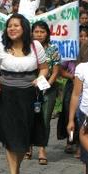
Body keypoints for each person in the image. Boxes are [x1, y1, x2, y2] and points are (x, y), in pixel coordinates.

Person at [0, 14, 48, 174]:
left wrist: (41, 77)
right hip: (5, 96)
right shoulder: (1, 48)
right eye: (9, 26)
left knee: (24, 137)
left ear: (24, 28)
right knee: (10, 137)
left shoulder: (35, 46)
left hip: (28, 95)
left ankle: (17, 169)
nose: (12, 29)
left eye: (16, 26)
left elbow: (44, 67)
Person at [29, 21, 61, 165]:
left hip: (48, 89)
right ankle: (27, 147)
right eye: (36, 31)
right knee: (29, 118)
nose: (39, 34)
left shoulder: (53, 49)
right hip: (30, 89)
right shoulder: (27, 49)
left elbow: (55, 71)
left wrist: (48, 84)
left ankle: (42, 149)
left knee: (44, 120)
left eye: (42, 32)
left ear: (47, 33)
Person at [57, 26, 88, 154]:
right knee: (68, 112)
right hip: (73, 85)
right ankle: (70, 140)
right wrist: (72, 76)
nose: (83, 39)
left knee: (82, 114)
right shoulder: (71, 52)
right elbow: (61, 69)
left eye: (85, 36)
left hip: (87, 87)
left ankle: (80, 144)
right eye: (80, 36)